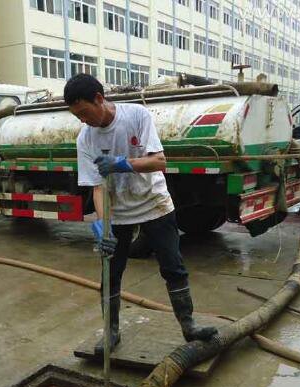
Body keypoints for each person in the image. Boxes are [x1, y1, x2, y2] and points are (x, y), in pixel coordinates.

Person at [63, 73, 218, 354]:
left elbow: (159, 161)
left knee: (173, 267)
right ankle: (111, 332)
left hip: (154, 204)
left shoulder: (136, 115)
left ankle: (189, 325)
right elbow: (97, 188)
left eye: (84, 113)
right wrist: (103, 226)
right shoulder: (85, 139)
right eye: (77, 117)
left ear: (99, 99)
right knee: (111, 274)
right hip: (118, 212)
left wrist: (122, 163)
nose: (83, 121)